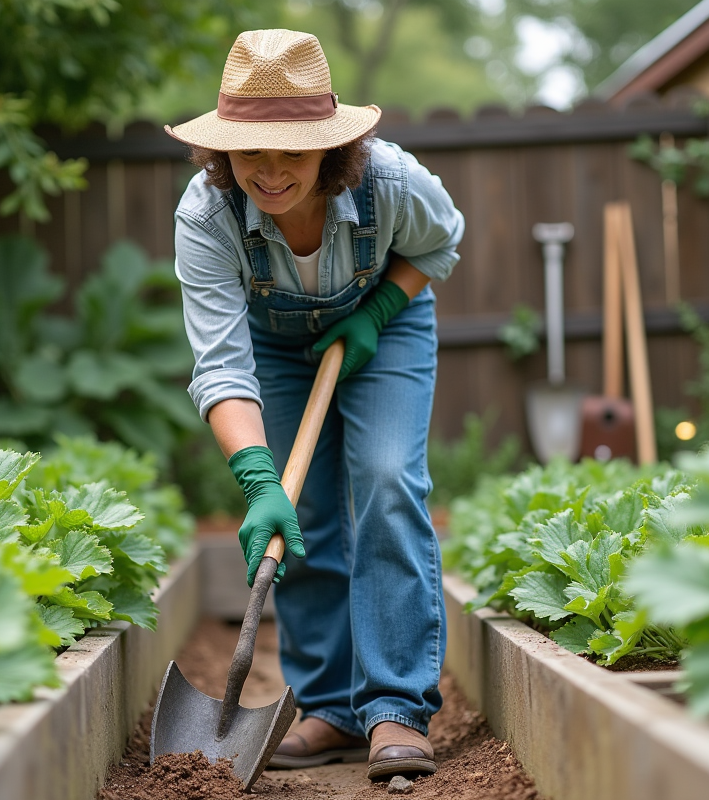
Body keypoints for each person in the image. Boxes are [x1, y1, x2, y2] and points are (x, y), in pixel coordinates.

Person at [165, 29, 464, 781]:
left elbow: (441, 244)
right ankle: (330, 707)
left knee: (388, 477)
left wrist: (374, 314)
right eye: (250, 154)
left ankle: (395, 705)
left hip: (381, 331)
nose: (269, 173)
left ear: (330, 150)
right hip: (272, 349)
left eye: (291, 153)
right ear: (222, 150)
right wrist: (261, 482)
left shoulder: (391, 183)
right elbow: (222, 364)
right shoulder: (206, 216)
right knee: (307, 513)